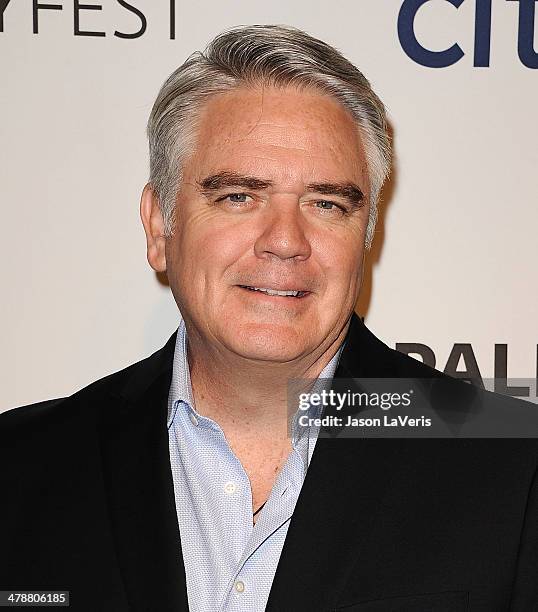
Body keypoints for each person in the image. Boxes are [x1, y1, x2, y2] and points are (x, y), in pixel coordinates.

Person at [1, 25, 537, 612]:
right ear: (160, 227)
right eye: (239, 197)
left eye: (326, 204)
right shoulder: (21, 468)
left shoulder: (516, 468)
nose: (285, 242)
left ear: (366, 236)